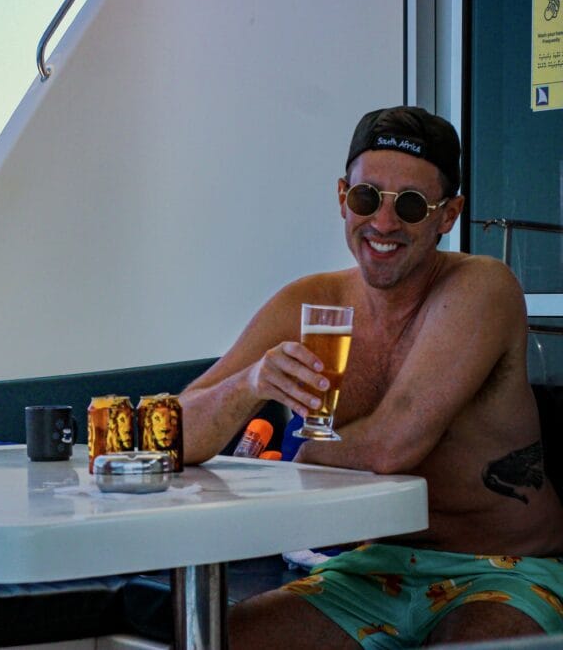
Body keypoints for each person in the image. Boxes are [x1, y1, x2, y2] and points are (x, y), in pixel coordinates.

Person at [180, 106, 563, 648]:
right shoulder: (309, 302)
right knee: (223, 640)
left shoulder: (482, 287)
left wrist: (303, 458)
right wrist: (249, 386)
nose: (383, 224)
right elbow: (168, 436)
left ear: (448, 216)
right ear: (342, 197)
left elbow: (392, 446)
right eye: (367, 199)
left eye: (410, 205)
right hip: (373, 570)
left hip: (504, 567)